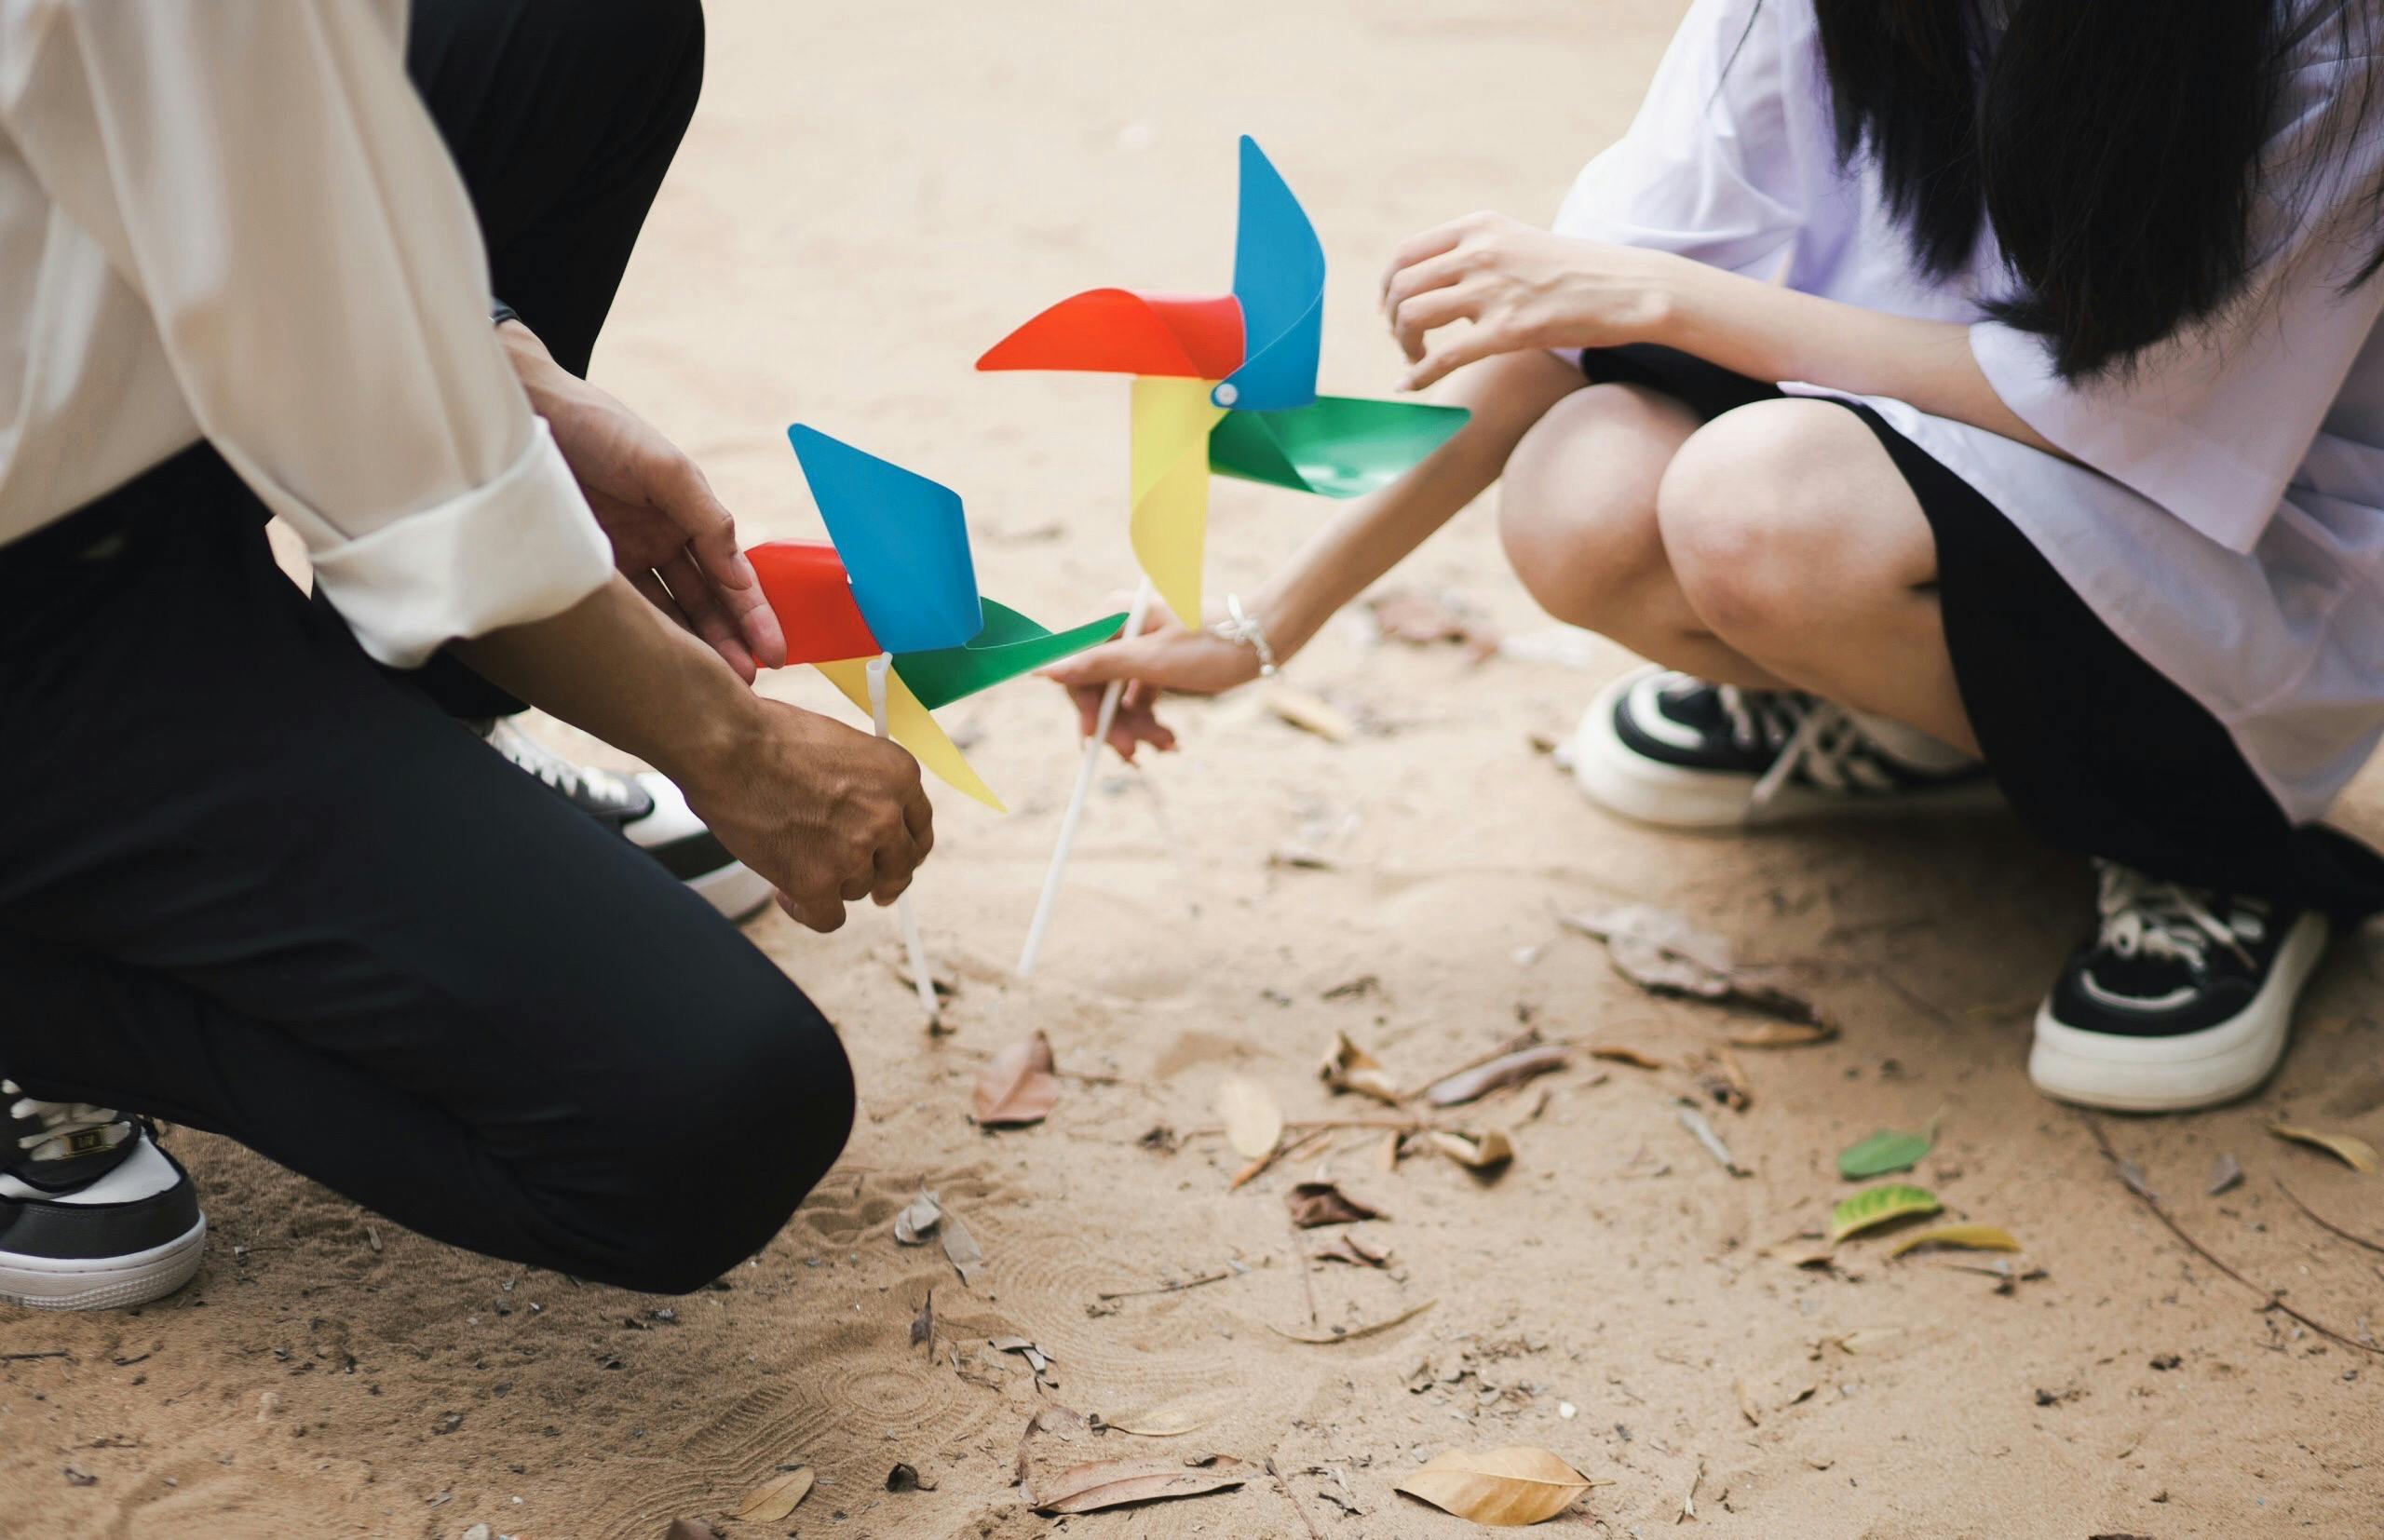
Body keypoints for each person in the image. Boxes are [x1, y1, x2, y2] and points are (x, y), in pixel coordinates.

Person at [1050, 0, 2384, 1115]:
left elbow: (2131, 413)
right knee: (1580, 495)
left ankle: (2201, 842)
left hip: (2231, 555)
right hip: (1913, 470)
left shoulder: (2323, 29)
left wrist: (1672, 298)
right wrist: (1263, 622)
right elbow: (1576, 317)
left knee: (1760, 506)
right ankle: (1933, 722)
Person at [0, 0, 930, 1312]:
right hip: (42, 606)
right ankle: (46, 977)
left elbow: (252, 174)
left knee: (584, 26)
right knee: (713, 1111)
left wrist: (511, 368)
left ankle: (407, 755)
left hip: (95, 406)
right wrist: (733, 747)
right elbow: (392, 459)